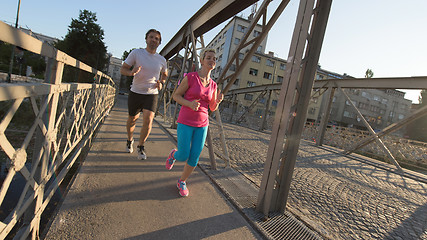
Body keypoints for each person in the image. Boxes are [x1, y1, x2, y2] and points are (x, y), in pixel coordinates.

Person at [165, 48, 223, 197]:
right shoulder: (191, 77)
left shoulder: (214, 85)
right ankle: (173, 154)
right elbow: (176, 96)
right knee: (183, 155)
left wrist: (217, 102)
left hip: (202, 125)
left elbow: (211, 107)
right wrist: (190, 104)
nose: (212, 60)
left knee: (194, 157)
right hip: (185, 120)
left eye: (214, 59)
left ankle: (182, 181)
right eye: (209, 57)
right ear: (202, 60)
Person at [120, 29, 168, 160]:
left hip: (151, 94)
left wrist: (162, 83)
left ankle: (141, 147)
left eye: (156, 38)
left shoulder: (162, 60)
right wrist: (131, 72)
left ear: (159, 42)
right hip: (136, 91)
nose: (153, 40)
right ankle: (130, 140)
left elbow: (165, 74)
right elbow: (123, 69)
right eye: (151, 37)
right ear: (146, 39)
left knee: (149, 119)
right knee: (132, 120)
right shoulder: (136, 53)